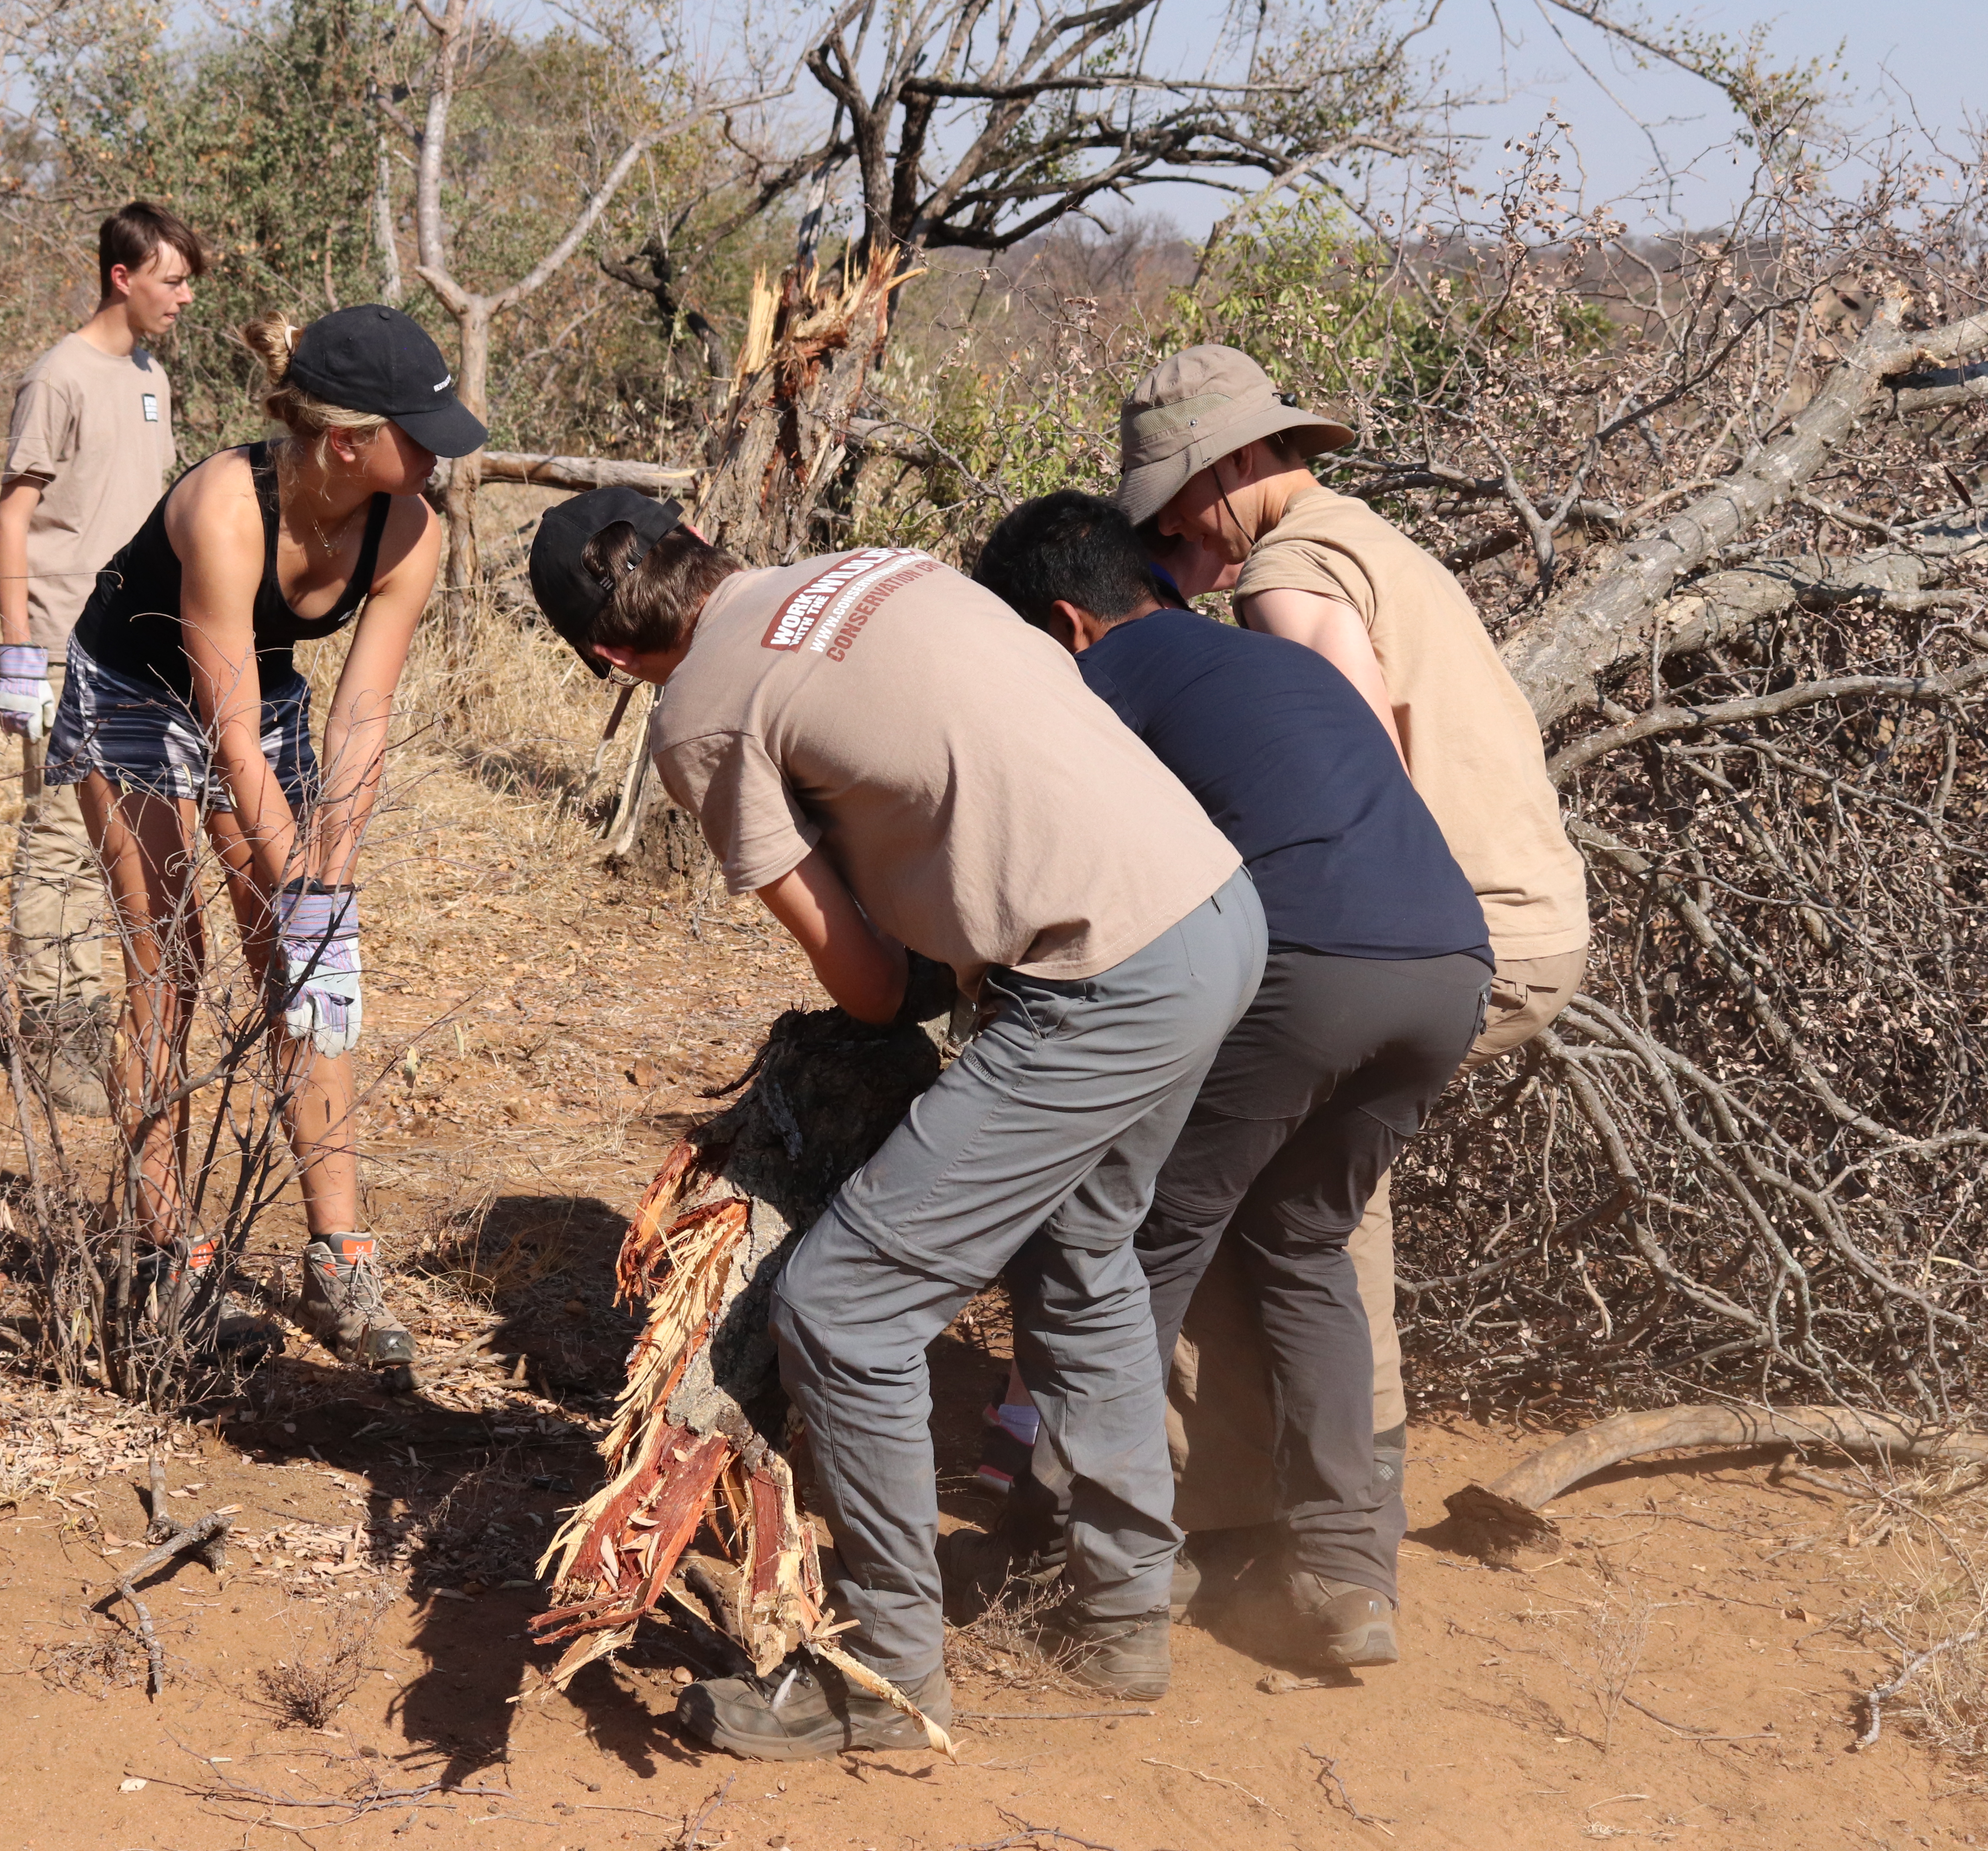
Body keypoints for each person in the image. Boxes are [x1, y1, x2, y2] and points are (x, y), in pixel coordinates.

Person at [524, 487, 1263, 1759]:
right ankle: (1127, 1611)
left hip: (1095, 979)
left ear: (604, 655)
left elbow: (867, 988)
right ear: (704, 540)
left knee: (846, 1308)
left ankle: (880, 1677)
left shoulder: (699, 715)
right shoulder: (876, 564)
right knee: (1080, 1263)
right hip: (1215, 916)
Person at [1116, 343, 1591, 1655]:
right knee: (1298, 1203)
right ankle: (1316, 1551)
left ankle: (1249, 1541)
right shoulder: (1370, 539)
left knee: (1273, 1205)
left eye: (1166, 508)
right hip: (1516, 916)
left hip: (1437, 924)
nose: (1164, 541)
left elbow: (1350, 785)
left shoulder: (1289, 572)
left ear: (1228, 472)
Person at [967, 491, 1490, 1669]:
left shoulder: (1103, 684)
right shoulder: (1268, 657)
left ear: (1068, 620)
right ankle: (1350, 1573)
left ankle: (1086, 1550)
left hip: (1308, 966)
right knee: (1303, 1243)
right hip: (1448, 965)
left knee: (1135, 1241)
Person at [47, 304, 481, 1366]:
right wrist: (307, 898)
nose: (437, 454)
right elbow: (227, 736)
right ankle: (166, 1262)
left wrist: (325, 897)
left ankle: (339, 1258)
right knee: (171, 964)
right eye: (416, 434)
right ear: (347, 441)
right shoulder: (224, 510)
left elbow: (361, 716)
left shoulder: (410, 527)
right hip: (135, 694)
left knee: (301, 977)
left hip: (262, 696)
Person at [0, 201, 206, 1115]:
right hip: (60, 643)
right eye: (172, 279)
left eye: (189, 280)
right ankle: (57, 1036)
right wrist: (18, 654)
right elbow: (12, 515)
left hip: (142, 646)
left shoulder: (150, 373)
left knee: (132, 842)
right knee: (58, 841)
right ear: (123, 277)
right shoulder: (59, 376)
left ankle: (123, 1017)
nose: (184, 298)